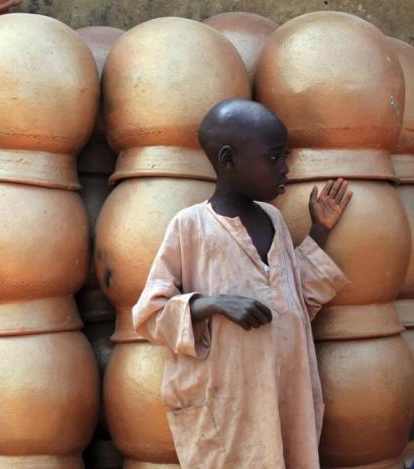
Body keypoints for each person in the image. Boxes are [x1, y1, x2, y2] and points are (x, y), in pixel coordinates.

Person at [131, 98, 353, 468]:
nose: (285, 169)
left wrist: (318, 230)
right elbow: (150, 315)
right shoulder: (191, 226)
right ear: (229, 160)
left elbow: (292, 298)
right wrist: (214, 303)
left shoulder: (275, 220)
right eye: (273, 158)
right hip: (227, 406)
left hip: (285, 396)